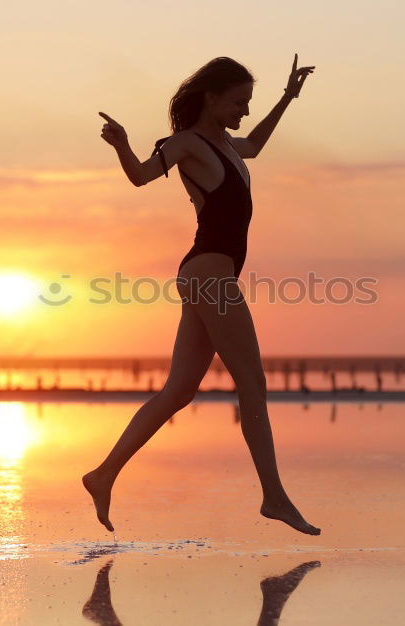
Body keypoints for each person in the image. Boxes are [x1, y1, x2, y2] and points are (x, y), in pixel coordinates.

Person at [85, 55, 319, 536]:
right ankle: (273, 498)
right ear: (210, 98)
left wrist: (287, 98)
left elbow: (253, 144)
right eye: (238, 102)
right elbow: (141, 176)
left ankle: (103, 474)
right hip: (210, 273)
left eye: (248, 103)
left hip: (206, 273)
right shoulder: (187, 144)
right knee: (253, 384)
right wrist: (123, 145)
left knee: (178, 391)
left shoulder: (229, 146)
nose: (244, 112)